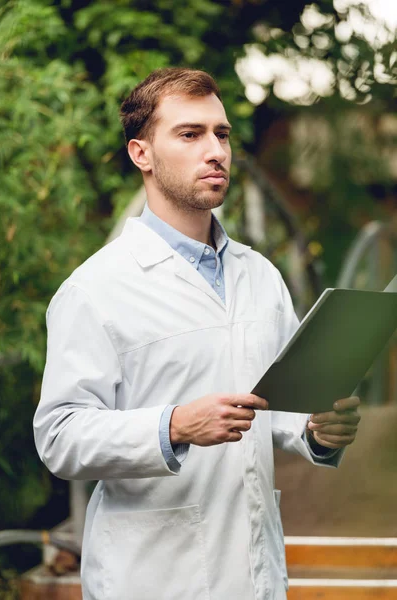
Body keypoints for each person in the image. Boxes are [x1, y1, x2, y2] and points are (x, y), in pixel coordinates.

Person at [33, 67, 361, 600]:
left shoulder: (261, 276)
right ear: (142, 153)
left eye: (222, 134)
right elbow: (59, 436)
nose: (216, 150)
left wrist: (315, 432)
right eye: (190, 134)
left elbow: (276, 402)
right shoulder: (93, 289)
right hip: (149, 579)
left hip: (255, 576)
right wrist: (175, 425)